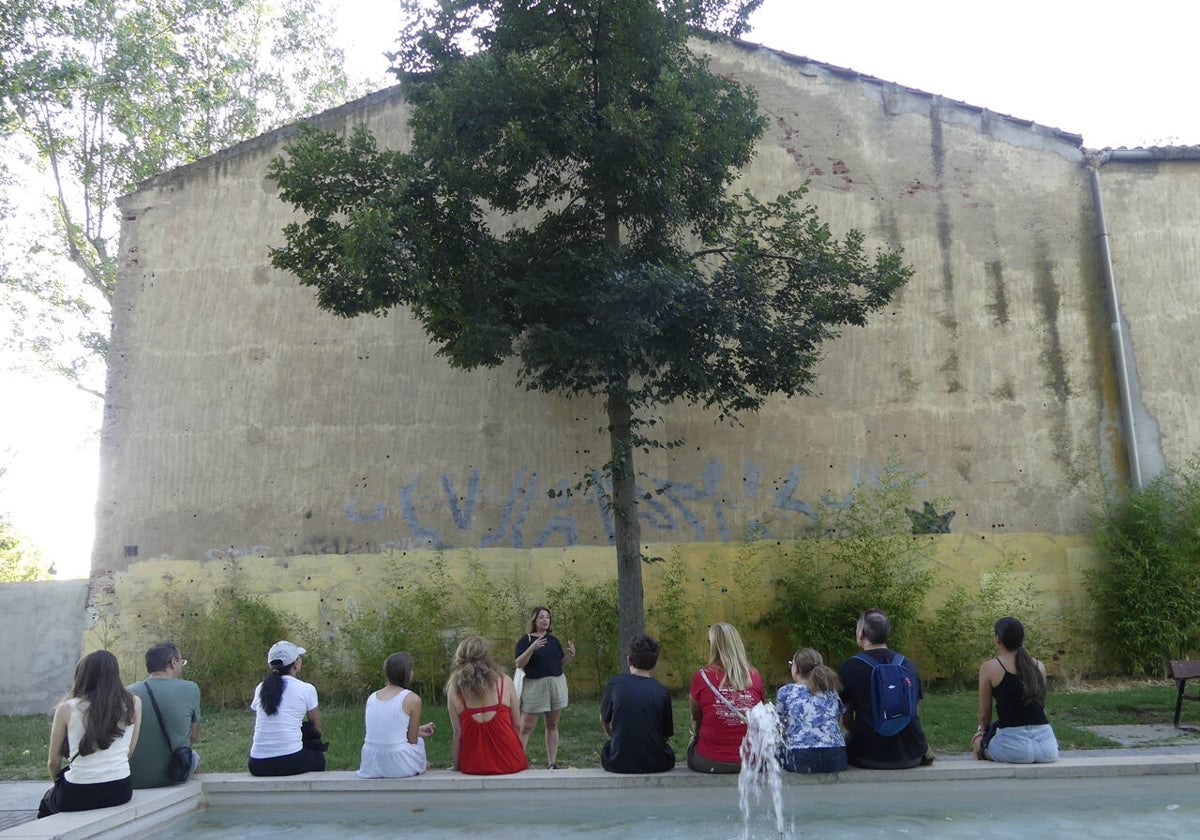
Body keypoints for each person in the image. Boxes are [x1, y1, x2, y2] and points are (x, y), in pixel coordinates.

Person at [40, 650, 142, 817]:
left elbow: (53, 762)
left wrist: (57, 785)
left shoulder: (66, 709)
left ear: (82, 675)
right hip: (121, 790)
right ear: (115, 675)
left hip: (78, 791)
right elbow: (129, 751)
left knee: (46, 803)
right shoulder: (134, 703)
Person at [838, 609, 932, 769]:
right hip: (910, 754)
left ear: (861, 634)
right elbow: (914, 713)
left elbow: (844, 719)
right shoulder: (908, 665)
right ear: (887, 634)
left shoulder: (848, 668)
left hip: (867, 755)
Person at [974, 616, 1059, 763]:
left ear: (998, 639)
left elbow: (984, 715)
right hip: (1047, 747)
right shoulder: (1039, 666)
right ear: (1022, 638)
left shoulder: (989, 668)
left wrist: (981, 733)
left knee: (977, 741)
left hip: (1012, 748)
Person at [687, 622, 765, 773]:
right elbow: (759, 711)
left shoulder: (702, 676)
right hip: (751, 761)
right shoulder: (754, 676)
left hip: (710, 760)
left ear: (713, 647)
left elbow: (696, 716)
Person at [446, 636, 528, 775]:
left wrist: (456, 766)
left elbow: (457, 732)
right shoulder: (505, 682)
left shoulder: (454, 688)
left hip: (472, 765)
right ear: (486, 656)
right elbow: (517, 725)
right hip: (510, 762)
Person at [127, 642, 201, 788]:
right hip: (174, 774)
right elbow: (193, 737)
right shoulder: (190, 688)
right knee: (195, 758)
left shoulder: (128, 692)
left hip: (134, 776)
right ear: (173, 662)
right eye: (181, 661)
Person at [248, 640, 326, 776]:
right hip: (290, 761)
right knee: (318, 758)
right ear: (296, 664)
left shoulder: (261, 687)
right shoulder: (306, 689)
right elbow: (316, 729)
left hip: (257, 764)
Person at [599, 633, 675, 773]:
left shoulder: (615, 684)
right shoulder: (662, 691)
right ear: (655, 663)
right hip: (656, 763)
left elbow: (604, 721)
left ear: (629, 661)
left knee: (607, 748)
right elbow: (666, 734)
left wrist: (614, 737)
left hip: (618, 762)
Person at [514, 606, 575, 769]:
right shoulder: (525, 640)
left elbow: (557, 664)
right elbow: (519, 663)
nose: (545, 620)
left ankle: (552, 763)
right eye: (541, 617)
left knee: (552, 724)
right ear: (534, 620)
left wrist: (569, 656)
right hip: (535, 685)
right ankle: (516, 761)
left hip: (555, 683)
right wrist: (532, 648)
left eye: (547, 617)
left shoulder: (553, 640)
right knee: (526, 726)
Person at [356, 652, 435, 778]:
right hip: (397, 763)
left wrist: (417, 730)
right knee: (420, 742)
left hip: (370, 763)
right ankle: (421, 765)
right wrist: (416, 733)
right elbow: (412, 740)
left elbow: (383, 731)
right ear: (407, 673)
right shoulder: (412, 699)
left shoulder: (372, 697)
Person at [776, 648, 847, 774]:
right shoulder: (831, 691)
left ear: (797, 669)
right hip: (835, 756)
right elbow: (839, 720)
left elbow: (779, 725)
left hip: (801, 756)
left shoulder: (785, 691)